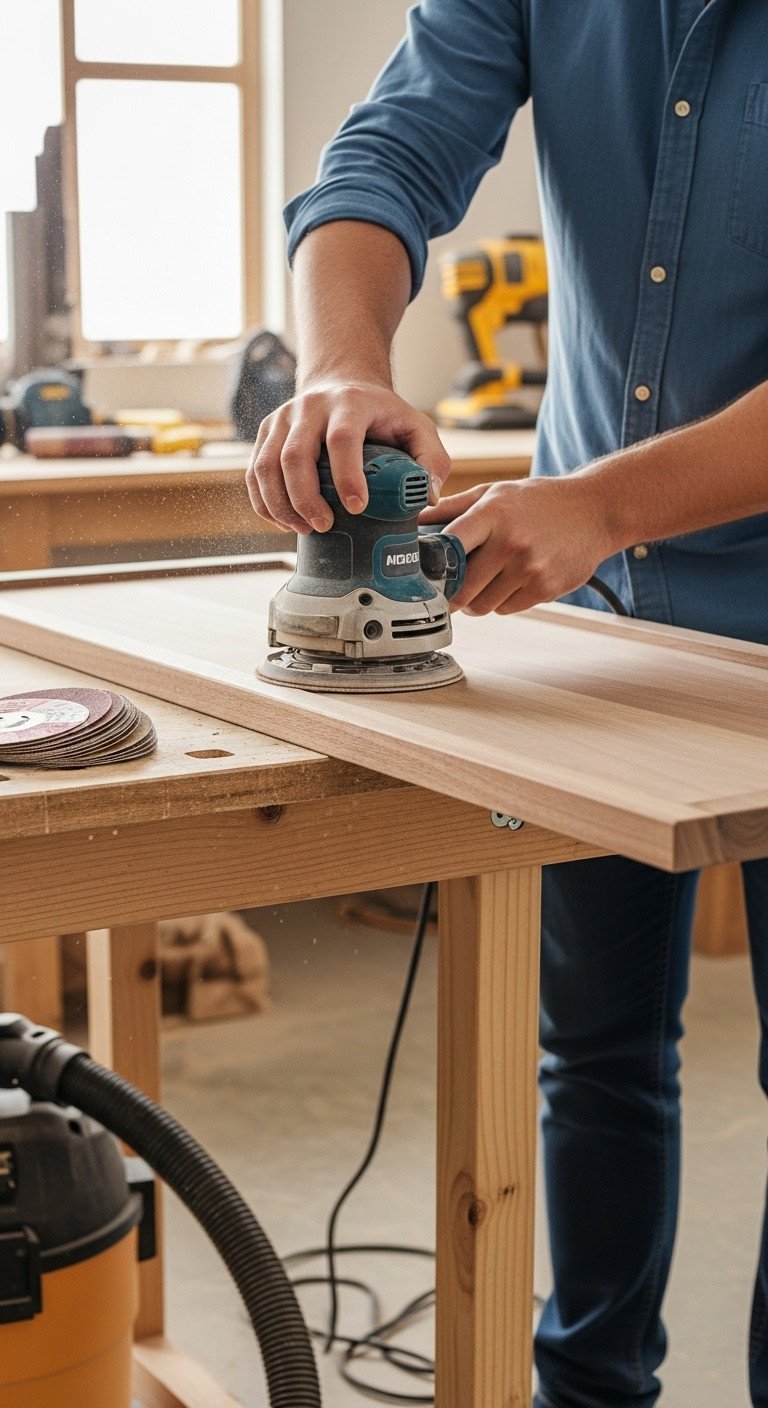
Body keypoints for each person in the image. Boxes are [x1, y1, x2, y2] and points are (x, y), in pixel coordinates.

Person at [246, 5, 768, 1405]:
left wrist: (604, 503)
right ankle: (587, 1391)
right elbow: (386, 160)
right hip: (601, 628)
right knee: (594, 1056)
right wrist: (344, 364)